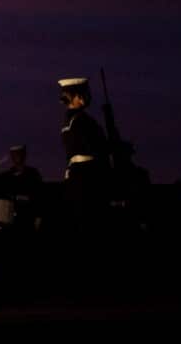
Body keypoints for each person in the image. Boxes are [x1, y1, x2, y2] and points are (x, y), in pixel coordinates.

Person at [58, 77, 110, 240]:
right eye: (85, 94)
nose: (88, 97)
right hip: (88, 176)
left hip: (77, 175)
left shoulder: (71, 119)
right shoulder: (81, 120)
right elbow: (97, 146)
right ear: (78, 97)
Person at [0, 144, 44, 236]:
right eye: (13, 154)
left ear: (24, 155)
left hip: (28, 218)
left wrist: (38, 217)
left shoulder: (33, 173)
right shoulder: (8, 175)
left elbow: (40, 195)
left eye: (18, 153)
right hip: (10, 219)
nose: (15, 156)